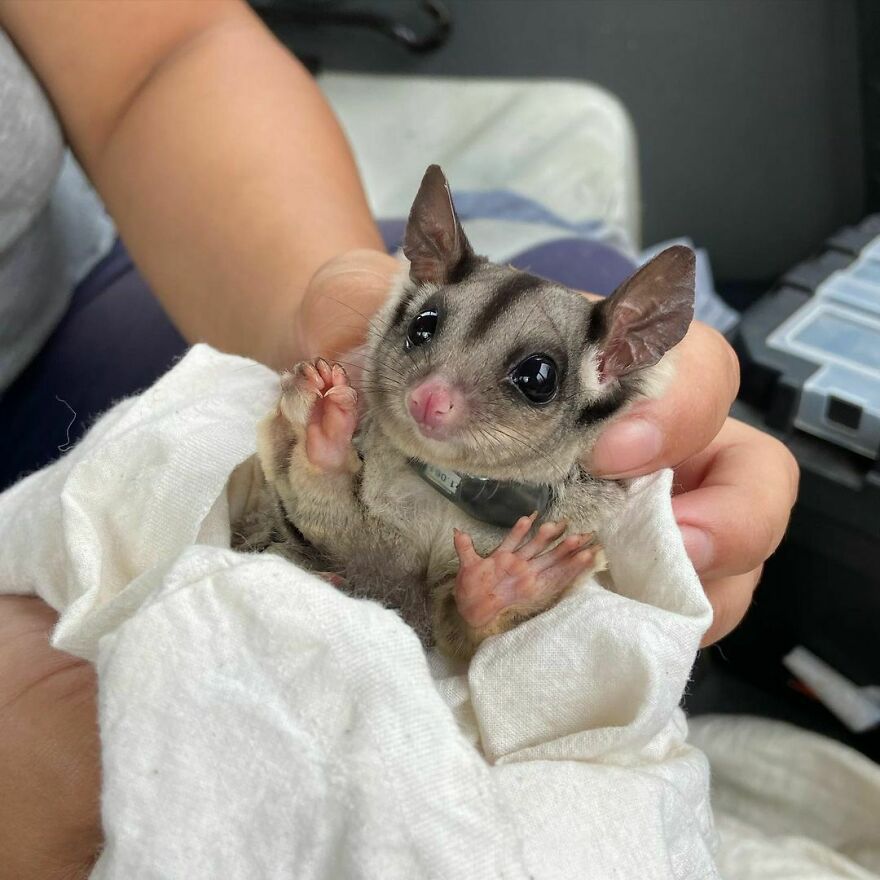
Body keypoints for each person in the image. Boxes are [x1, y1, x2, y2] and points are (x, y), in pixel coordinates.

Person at [0, 1, 798, 877]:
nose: (432, 399)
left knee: (599, 283)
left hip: (58, 308)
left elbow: (160, 56)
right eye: (422, 338)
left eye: (526, 377)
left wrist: (310, 307)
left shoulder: (559, 392)